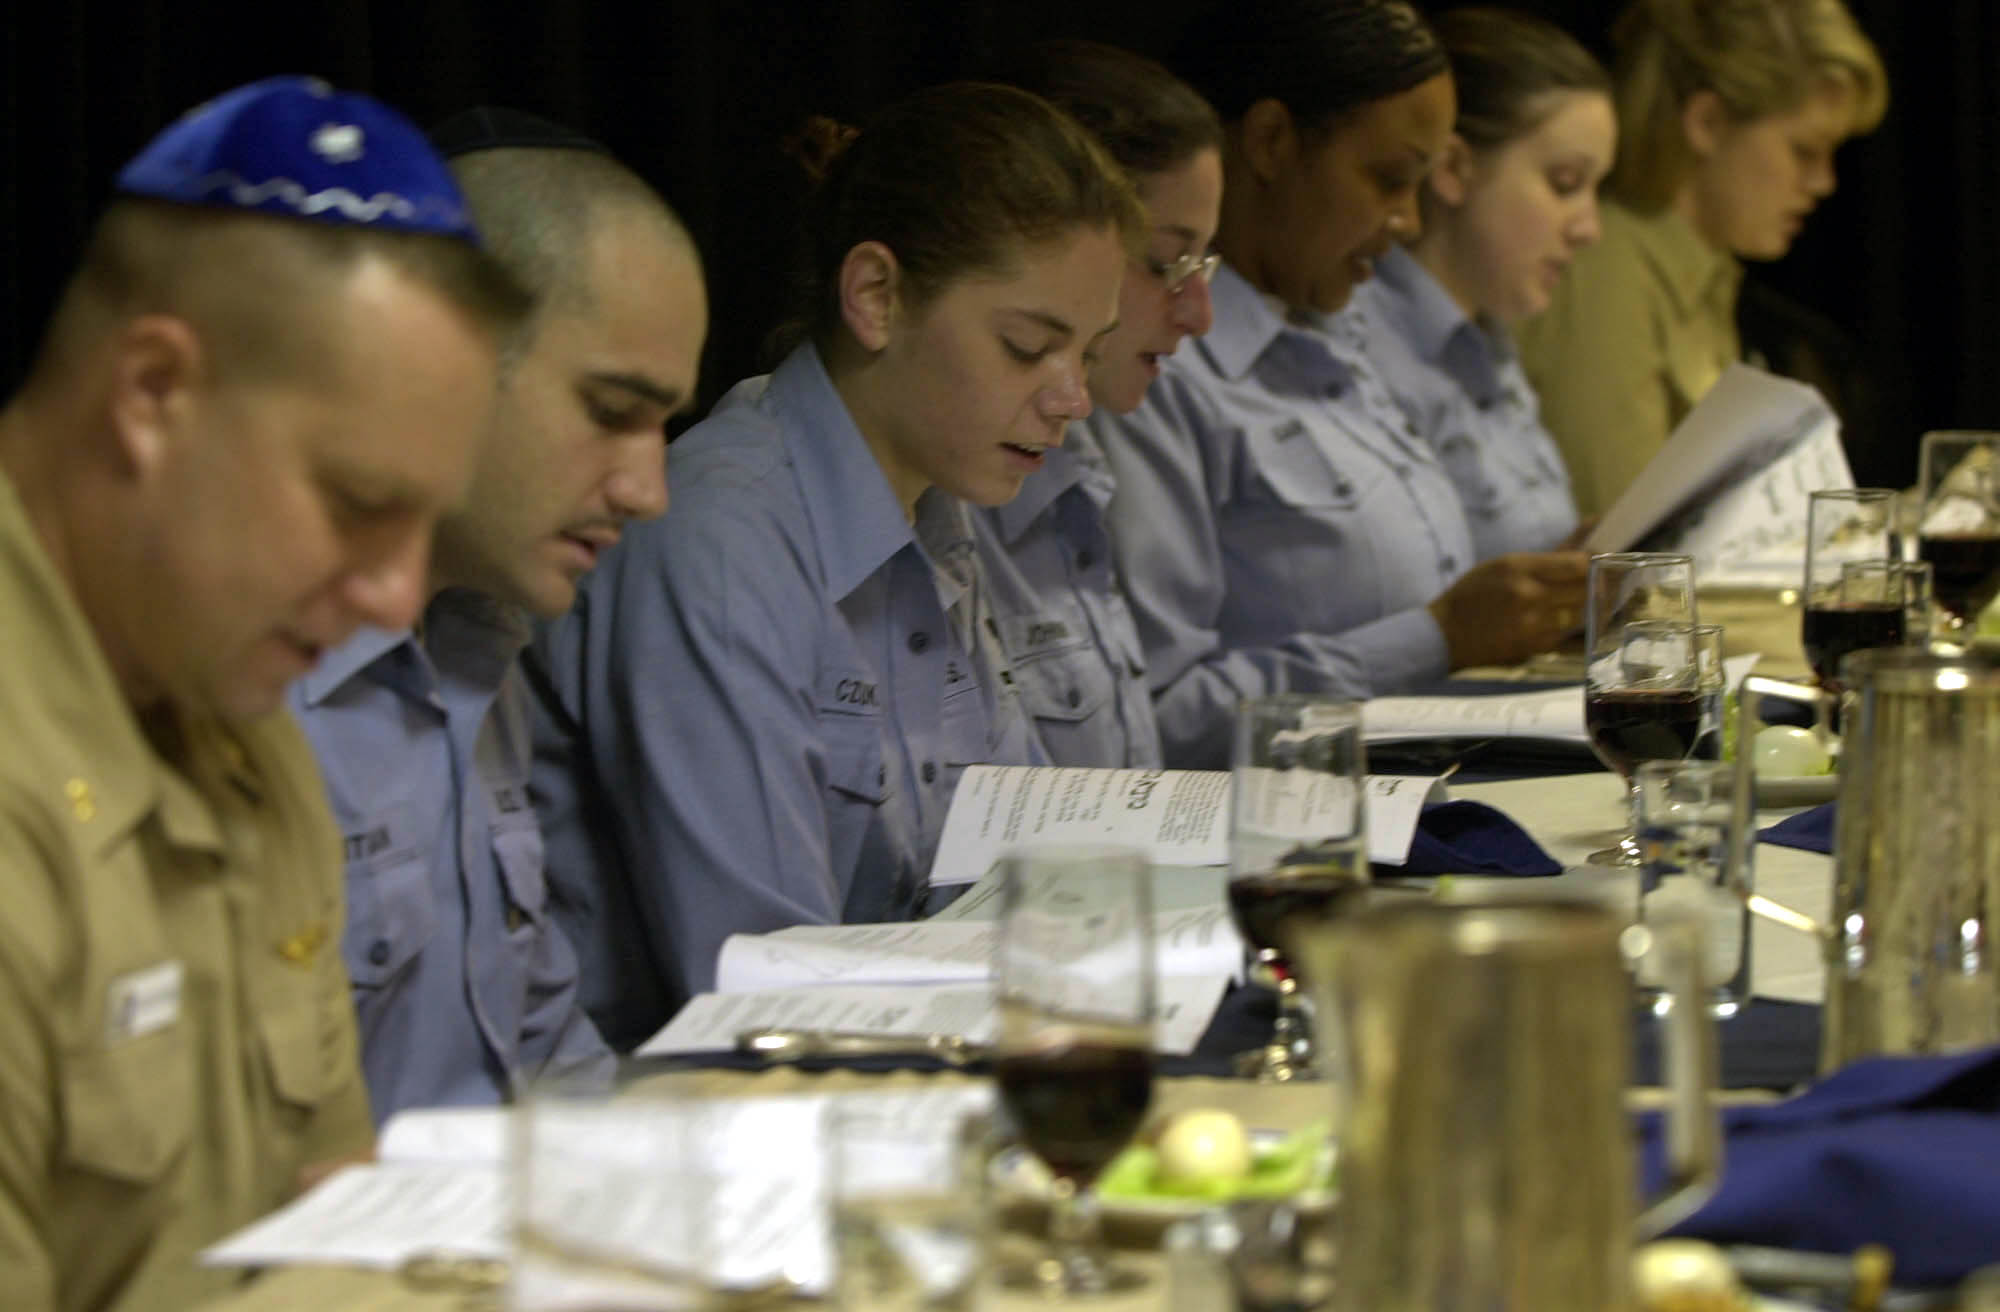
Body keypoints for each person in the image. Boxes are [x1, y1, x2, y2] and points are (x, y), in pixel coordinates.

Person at [0, 77, 526, 1309]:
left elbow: (330, 1209)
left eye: (424, 526)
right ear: (151, 394)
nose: (398, 599)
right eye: (356, 504)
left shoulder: (232, 711)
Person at [528, 82, 1141, 1043]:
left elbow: (1027, 858)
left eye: (1090, 353)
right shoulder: (720, 540)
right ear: (875, 297)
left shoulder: (939, 497)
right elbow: (771, 992)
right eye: (1029, 348)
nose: (1073, 400)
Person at [288, 110, 707, 1119]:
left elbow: (547, 1058)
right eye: (611, 413)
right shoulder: (245, 677)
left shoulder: (480, 647)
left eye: (665, 428)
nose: (649, 489)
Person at [1089, 0, 1590, 770]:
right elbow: (1157, 722)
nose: (1408, 222)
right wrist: (1439, 637)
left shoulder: (1337, 325)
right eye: (1390, 179)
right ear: (1271, 142)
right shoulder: (1154, 370)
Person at [1514, 0, 1887, 518]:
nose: (1825, 183)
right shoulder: (1605, 271)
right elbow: (1623, 557)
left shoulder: (1706, 273)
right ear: (1707, 123)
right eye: (1803, 151)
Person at [974, 40, 1224, 767]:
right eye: (1166, 263)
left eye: (1204, 263)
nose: (1199, 314)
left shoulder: (1076, 447)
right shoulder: (959, 474)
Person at [1346, 8, 1615, 560]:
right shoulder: (1357, 343)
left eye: (1595, 190)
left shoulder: (1491, 338)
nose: (1590, 229)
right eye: (1565, 184)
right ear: (1453, 170)